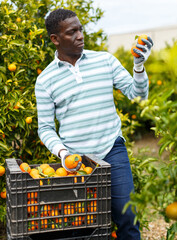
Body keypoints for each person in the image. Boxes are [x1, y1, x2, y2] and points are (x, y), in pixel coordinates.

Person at [35, 8, 153, 240]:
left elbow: (137, 96)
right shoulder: (45, 80)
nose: (80, 35)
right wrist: (63, 154)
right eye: (72, 32)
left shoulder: (105, 61)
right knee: (82, 224)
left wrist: (138, 66)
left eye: (80, 29)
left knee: (127, 217)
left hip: (112, 150)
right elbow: (46, 127)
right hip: (76, 160)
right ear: (55, 39)